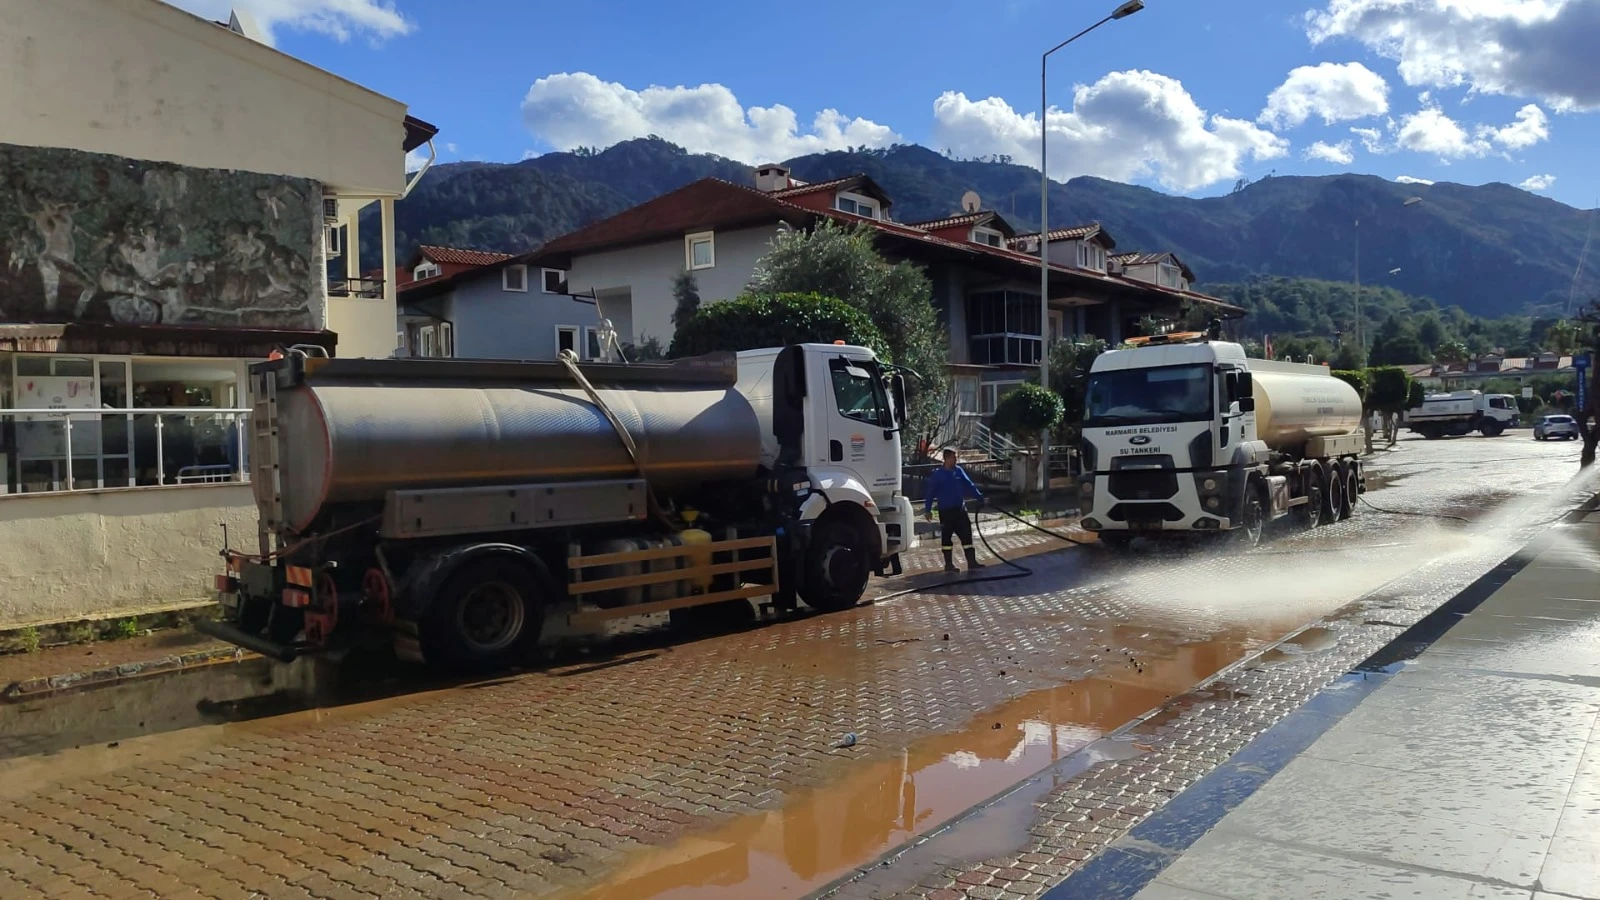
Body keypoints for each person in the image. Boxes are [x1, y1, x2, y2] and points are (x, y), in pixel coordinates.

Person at [923, 448, 986, 573]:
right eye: (953, 457)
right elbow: (930, 493)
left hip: (960, 510)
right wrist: (927, 510)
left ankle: (972, 562)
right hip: (946, 512)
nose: (956, 460)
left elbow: (970, 485)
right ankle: (949, 564)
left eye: (956, 457)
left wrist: (981, 498)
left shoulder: (959, 471)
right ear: (946, 459)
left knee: (967, 536)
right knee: (946, 539)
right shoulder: (938, 475)